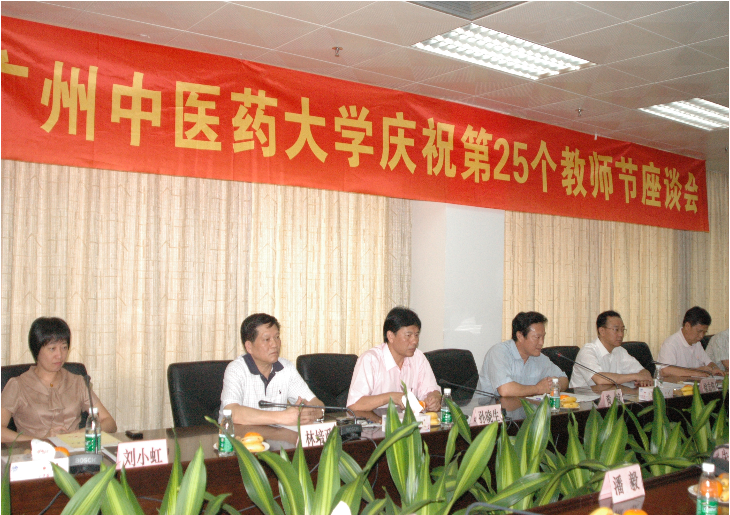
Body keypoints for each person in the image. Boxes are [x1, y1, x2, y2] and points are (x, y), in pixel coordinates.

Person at [1, 317, 117, 443]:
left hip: (74, 451)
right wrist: (41, 441)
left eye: (64, 347)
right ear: (37, 350)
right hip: (34, 452)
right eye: (52, 349)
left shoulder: (77, 382)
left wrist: (84, 432)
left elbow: (109, 423)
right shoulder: (18, 385)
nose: (60, 355)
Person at [220, 313, 325, 425]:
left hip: (277, 435)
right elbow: (231, 412)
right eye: (266, 339)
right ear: (249, 347)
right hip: (242, 436)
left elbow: (317, 404)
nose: (275, 344)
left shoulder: (286, 368)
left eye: (277, 337)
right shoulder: (236, 370)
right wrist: (282, 417)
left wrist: (310, 412)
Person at [347, 307, 441, 411]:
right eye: (408, 335)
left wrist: (434, 398)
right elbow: (354, 404)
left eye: (416, 335)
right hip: (375, 420)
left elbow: (432, 390)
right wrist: (391, 397)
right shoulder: (370, 360)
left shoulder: (418, 357)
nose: (414, 341)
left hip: (408, 420)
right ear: (390, 336)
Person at [477, 311, 568, 397]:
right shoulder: (499, 352)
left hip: (523, 407)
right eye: (537, 337)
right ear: (520, 336)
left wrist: (555, 385)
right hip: (491, 407)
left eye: (543, 337)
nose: (542, 342)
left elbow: (564, 378)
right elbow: (505, 390)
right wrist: (538, 388)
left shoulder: (539, 357)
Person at [569, 311, 652, 388]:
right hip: (583, 398)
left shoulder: (619, 350)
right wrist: (635, 376)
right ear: (602, 331)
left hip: (609, 396)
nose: (621, 334)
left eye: (622, 330)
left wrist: (644, 378)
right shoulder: (587, 351)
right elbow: (600, 379)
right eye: (616, 330)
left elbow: (643, 371)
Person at [656, 306, 725, 378]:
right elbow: (665, 370)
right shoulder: (670, 344)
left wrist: (714, 368)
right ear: (687, 326)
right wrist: (697, 372)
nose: (701, 336)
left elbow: (708, 362)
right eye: (699, 331)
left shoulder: (696, 343)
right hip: (674, 384)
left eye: (704, 332)